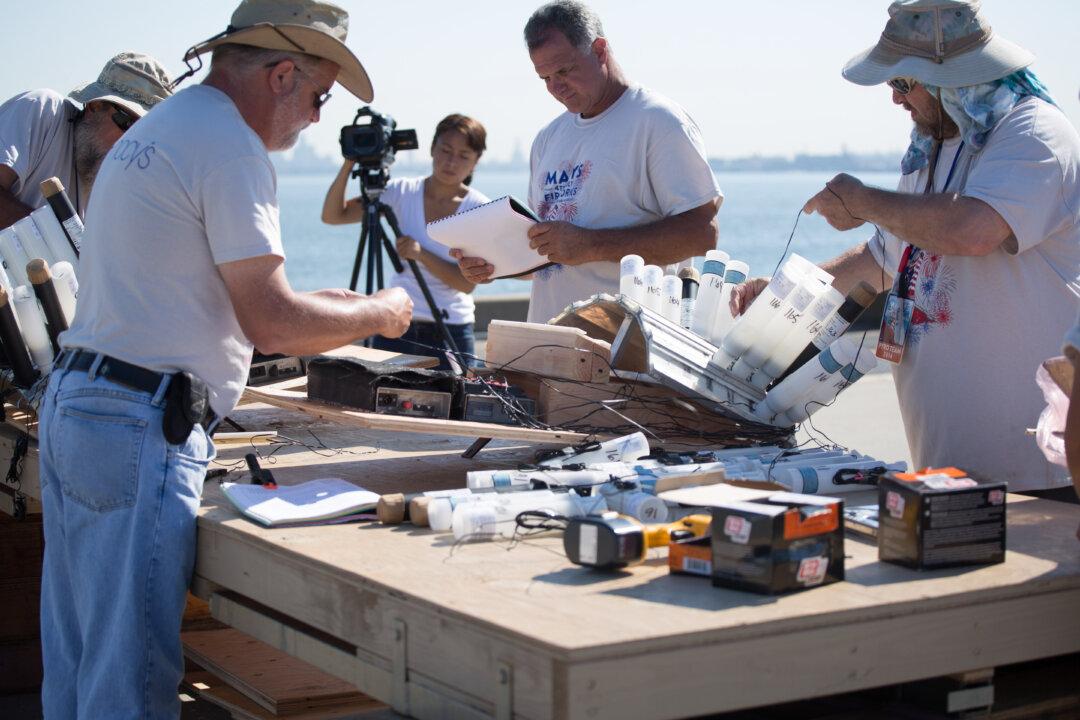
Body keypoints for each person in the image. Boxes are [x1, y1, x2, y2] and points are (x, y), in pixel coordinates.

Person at [37, 1, 412, 717]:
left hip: (81, 404)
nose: (314, 119)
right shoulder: (233, 148)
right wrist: (377, 311)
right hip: (137, 424)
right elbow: (272, 323)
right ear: (279, 75)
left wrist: (323, 301)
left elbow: (198, 285)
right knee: (130, 688)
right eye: (317, 97)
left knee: (80, 665)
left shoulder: (166, 128)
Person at [733, 0, 1080, 493]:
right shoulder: (931, 144)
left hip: (1040, 474)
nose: (895, 100)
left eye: (901, 83)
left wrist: (864, 200)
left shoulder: (1034, 134)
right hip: (947, 469)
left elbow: (974, 229)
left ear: (951, 78)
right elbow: (884, 258)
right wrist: (789, 294)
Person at [454, 0, 722, 324]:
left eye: (564, 71)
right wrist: (493, 264)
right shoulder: (547, 139)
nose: (555, 88)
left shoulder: (658, 122)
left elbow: (702, 234)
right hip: (545, 350)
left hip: (626, 356)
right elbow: (550, 255)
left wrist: (589, 245)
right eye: (545, 78)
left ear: (599, 50)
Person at [322, 113, 490, 367]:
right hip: (396, 322)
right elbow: (333, 215)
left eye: (463, 156)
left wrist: (421, 253)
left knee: (455, 405)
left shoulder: (478, 208)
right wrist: (350, 162)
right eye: (445, 150)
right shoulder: (401, 191)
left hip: (451, 327)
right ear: (432, 149)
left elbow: (466, 284)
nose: (451, 162)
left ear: (476, 161)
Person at [0, 52, 172, 227]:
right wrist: (58, 241)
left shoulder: (116, 192)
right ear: (95, 106)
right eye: (128, 124)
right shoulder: (44, 110)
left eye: (146, 135)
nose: (132, 143)